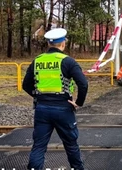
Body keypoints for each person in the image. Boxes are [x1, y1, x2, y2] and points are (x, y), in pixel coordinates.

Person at [22, 28, 88, 170]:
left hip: (42, 109)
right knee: (71, 144)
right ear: (63, 43)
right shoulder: (68, 61)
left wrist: (38, 96)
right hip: (63, 108)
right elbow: (83, 83)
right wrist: (78, 103)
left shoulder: (37, 61)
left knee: (39, 146)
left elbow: (26, 85)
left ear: (49, 44)